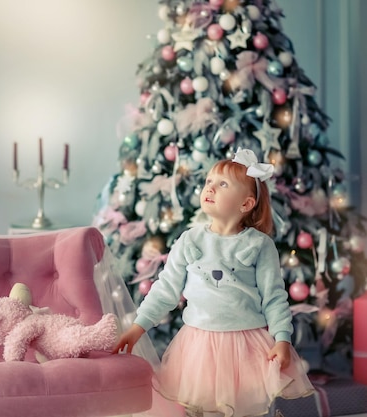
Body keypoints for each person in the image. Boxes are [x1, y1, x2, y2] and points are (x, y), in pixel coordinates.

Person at [113, 148, 314, 417]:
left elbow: (274, 297)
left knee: (246, 408)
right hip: (199, 344)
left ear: (246, 204)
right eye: (208, 181)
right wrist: (137, 328)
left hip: (245, 345)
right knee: (205, 409)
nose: (210, 187)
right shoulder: (189, 240)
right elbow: (165, 291)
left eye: (222, 184)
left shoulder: (259, 245)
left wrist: (282, 338)